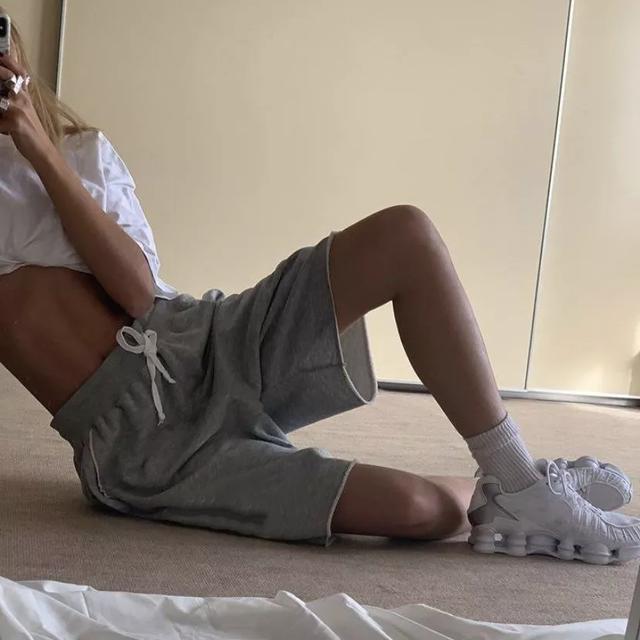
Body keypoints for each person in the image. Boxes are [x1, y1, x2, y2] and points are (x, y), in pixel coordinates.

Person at [0, 12, 636, 565]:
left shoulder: (82, 153)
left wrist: (38, 148)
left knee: (405, 235)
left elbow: (138, 292)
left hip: (205, 341)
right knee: (423, 512)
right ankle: (509, 497)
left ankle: (518, 476)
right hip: (147, 447)